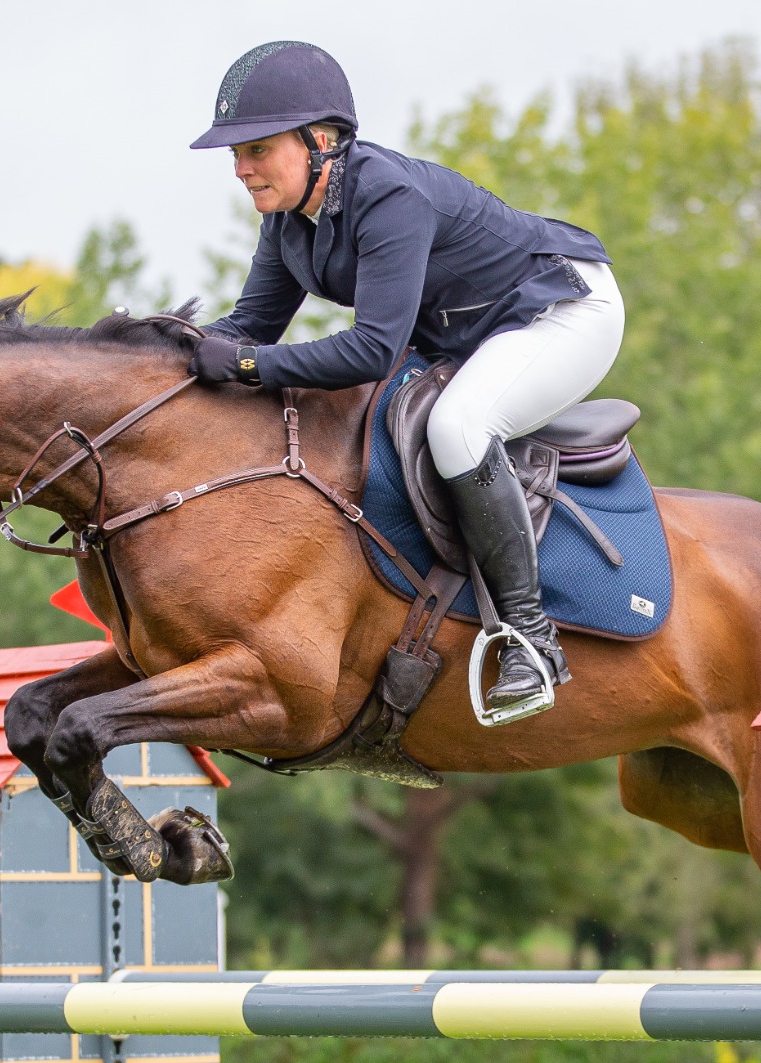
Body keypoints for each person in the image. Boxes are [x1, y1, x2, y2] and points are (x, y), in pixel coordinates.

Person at [188, 40, 624, 717]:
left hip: (563, 311)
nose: (241, 169)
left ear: (322, 141)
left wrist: (244, 366)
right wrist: (167, 350)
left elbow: (365, 352)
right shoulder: (288, 220)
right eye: (236, 155)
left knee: (457, 426)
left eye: (257, 150)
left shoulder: (388, 196)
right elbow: (251, 323)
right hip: (471, 330)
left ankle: (530, 641)